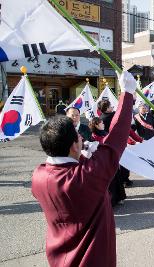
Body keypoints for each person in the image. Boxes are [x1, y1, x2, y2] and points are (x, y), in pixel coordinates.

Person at [31, 71, 136, 267]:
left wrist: (81, 158)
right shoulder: (86, 175)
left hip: (59, 258)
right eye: (78, 137)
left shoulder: (39, 176)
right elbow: (116, 140)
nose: (82, 139)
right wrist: (127, 93)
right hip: (93, 259)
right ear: (73, 145)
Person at [89, 117, 127, 205]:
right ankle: (112, 200)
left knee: (117, 179)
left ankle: (119, 198)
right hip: (104, 161)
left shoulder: (104, 132)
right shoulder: (94, 136)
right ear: (96, 125)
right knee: (110, 182)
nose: (103, 124)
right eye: (101, 123)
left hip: (112, 158)